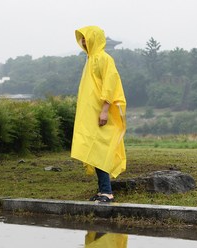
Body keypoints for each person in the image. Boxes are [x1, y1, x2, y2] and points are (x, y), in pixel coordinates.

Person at [71, 25, 126, 202]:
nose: (84, 41)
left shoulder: (104, 58)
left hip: (102, 115)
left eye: (87, 37)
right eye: (83, 38)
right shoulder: (90, 59)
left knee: (100, 151)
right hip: (91, 115)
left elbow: (110, 86)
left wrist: (104, 111)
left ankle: (107, 192)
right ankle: (102, 190)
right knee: (93, 150)